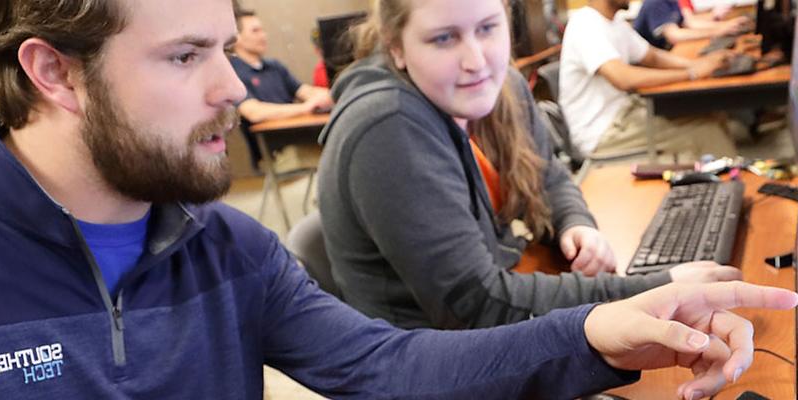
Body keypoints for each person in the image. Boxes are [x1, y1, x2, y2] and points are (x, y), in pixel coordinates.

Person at [0, 0, 798, 399]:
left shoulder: (218, 247)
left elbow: (385, 364)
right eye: (188, 55)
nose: (234, 87)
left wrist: (603, 330)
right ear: (56, 73)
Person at [317, 0, 743, 330]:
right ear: (397, 47)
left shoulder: (498, 85)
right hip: (425, 356)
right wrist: (657, 289)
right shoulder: (388, 128)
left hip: (486, 311)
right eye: (443, 39)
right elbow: (478, 306)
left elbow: (549, 174)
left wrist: (576, 224)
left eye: (487, 28)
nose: (476, 60)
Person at [559, 0, 744, 159]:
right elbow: (623, 78)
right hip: (603, 133)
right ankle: (729, 193)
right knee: (707, 132)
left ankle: (724, 186)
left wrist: (698, 64)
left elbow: (652, 56)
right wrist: (692, 73)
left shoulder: (614, 23)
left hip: (626, 114)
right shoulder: (585, 25)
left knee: (711, 114)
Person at [231, 9, 333, 174]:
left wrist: (331, 94)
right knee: (337, 149)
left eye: (263, 30)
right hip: (275, 152)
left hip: (301, 137)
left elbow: (304, 91)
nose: (263, 35)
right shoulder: (233, 73)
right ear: (237, 38)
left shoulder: (274, 67)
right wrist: (305, 108)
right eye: (255, 31)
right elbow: (253, 112)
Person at [633, 0, 751, 50]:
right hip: (653, 66)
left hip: (667, 54)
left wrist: (726, 26)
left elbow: (690, 23)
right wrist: (718, 31)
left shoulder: (672, 1)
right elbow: (674, 36)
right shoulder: (655, 2)